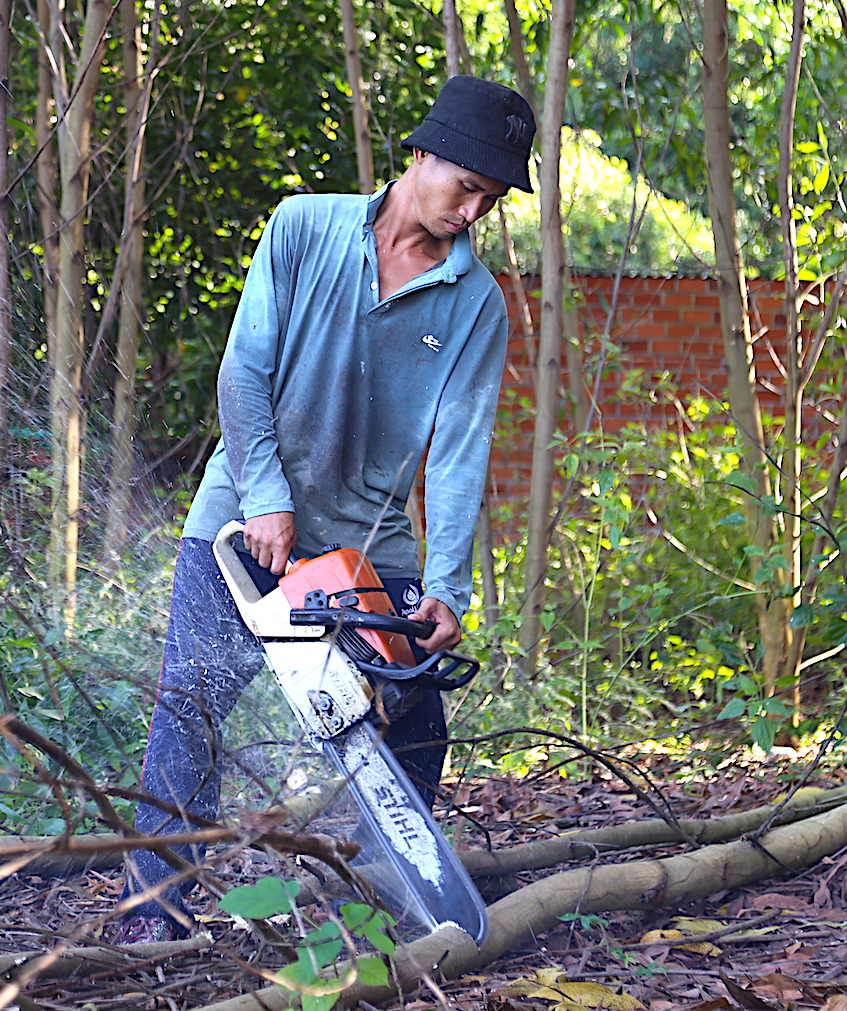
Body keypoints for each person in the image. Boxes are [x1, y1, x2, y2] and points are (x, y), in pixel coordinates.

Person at [114, 75, 536, 944]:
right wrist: (266, 496)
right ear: (420, 154)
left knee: (414, 727)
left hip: (372, 539)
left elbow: (458, 454)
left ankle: (383, 915)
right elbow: (244, 370)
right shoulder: (304, 226)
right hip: (241, 515)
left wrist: (446, 588)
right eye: (467, 186)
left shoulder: (476, 304)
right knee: (190, 703)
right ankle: (153, 918)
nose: (473, 210)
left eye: (490, 200)